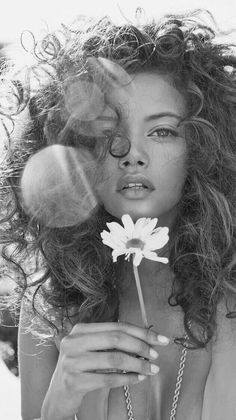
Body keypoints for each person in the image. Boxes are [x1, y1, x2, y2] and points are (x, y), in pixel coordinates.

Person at [1, 8, 236, 420]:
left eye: (162, 131)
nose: (132, 155)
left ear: (203, 148)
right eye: (106, 132)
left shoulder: (230, 299)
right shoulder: (51, 309)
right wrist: (58, 405)